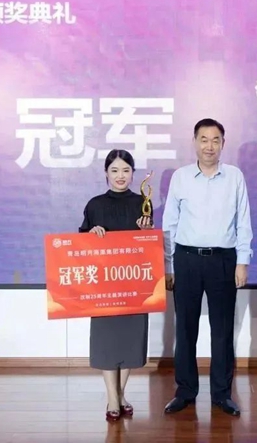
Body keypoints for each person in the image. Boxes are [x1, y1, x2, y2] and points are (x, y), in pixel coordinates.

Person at [162, 118, 253, 417]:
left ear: (223, 144)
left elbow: (243, 222)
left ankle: (222, 394)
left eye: (215, 140)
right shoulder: (181, 177)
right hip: (186, 259)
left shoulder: (235, 177)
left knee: (222, 330)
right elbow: (169, 223)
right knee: (185, 328)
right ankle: (185, 391)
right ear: (194, 142)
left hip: (223, 260)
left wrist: (242, 261)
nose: (209, 146)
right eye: (204, 139)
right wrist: (169, 265)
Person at [78, 149, 154, 422]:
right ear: (106, 174)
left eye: (125, 170)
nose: (120, 176)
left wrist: (146, 232)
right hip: (104, 288)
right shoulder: (95, 205)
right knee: (107, 343)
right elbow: (81, 245)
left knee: (130, 342)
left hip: (134, 285)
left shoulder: (143, 203)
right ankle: (112, 398)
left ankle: (120, 395)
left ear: (133, 174)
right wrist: (92, 234)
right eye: (114, 170)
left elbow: (149, 245)